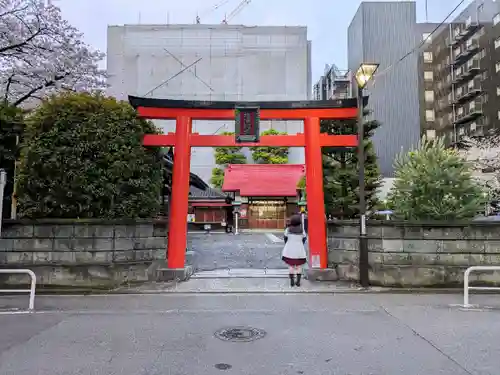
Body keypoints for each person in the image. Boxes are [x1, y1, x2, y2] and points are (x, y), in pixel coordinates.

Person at [282, 214, 307, 287]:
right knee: (299, 266)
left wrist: (288, 243)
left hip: (289, 250)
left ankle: (292, 281)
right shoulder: (302, 230)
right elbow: (304, 239)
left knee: (291, 266)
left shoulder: (288, 229)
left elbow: (285, 239)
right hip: (299, 250)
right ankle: (298, 282)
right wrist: (300, 243)